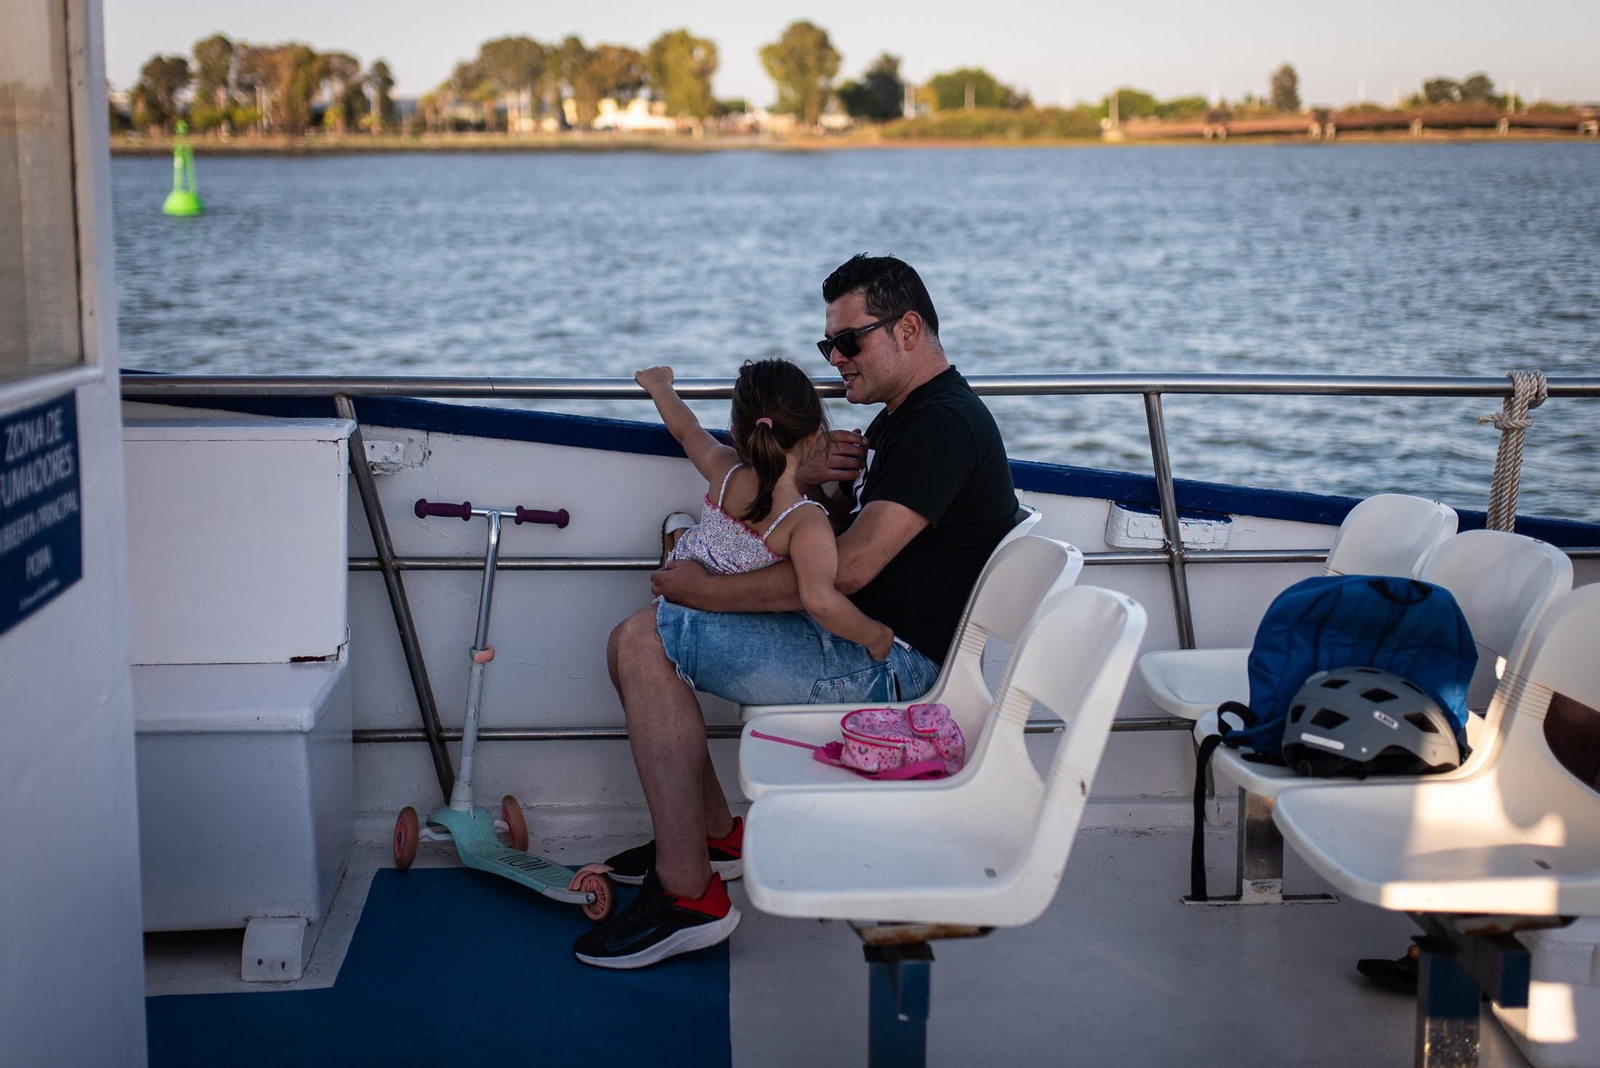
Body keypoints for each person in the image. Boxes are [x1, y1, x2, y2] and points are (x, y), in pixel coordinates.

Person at [573, 254, 1019, 969]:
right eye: (827, 346)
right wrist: (807, 482)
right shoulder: (905, 421)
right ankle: (716, 837)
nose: (836, 360)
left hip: (890, 668)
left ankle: (690, 893)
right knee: (642, 636)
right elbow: (841, 546)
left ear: (909, 328)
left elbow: (848, 568)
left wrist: (701, 590)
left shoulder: (940, 429)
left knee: (640, 642)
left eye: (850, 341)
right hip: (865, 641)